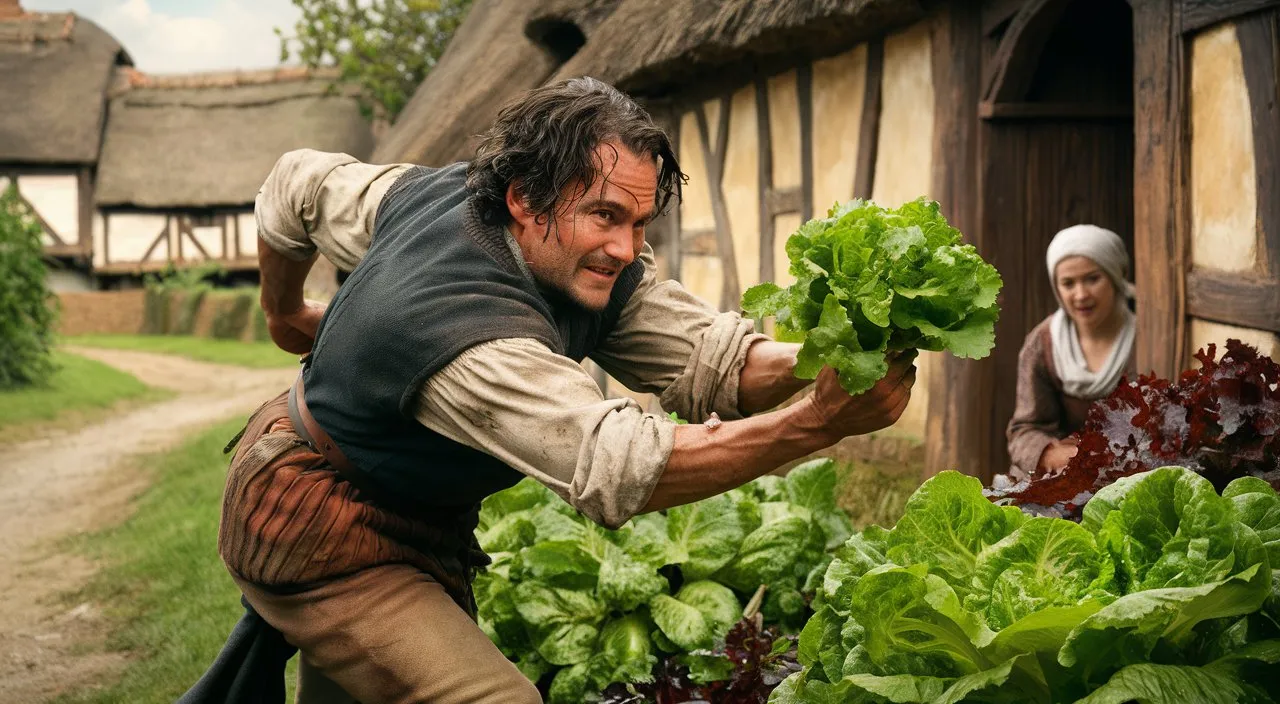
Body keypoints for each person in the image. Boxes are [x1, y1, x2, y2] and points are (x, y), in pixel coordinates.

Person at [193, 77, 916, 704]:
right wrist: (817, 424)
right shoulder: (470, 339)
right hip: (319, 526)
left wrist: (835, 349)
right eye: (604, 215)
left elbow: (713, 363)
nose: (626, 248)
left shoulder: (544, 250)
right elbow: (624, 467)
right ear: (524, 201)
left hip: (409, 510)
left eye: (638, 222)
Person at [1006, 224, 1137, 478]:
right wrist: (1054, 456)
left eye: (1092, 279)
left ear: (1116, 276)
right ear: (1057, 288)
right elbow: (1025, 428)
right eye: (1068, 283)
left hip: (1131, 472)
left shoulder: (1148, 338)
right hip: (1063, 473)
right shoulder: (1043, 343)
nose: (1080, 295)